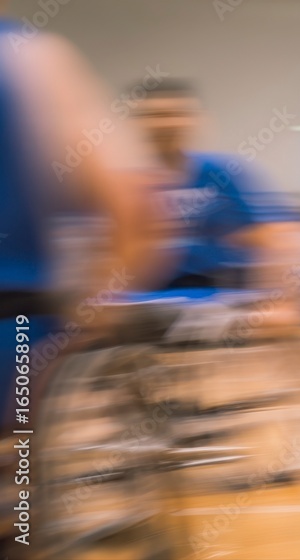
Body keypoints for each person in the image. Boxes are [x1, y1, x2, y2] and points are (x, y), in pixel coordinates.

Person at [0, 11, 164, 551]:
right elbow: (134, 207)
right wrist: (97, 310)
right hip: (17, 334)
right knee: (24, 509)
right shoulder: (31, 60)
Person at [129, 80, 300, 334]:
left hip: (215, 300)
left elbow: (283, 236)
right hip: (146, 303)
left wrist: (284, 301)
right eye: (153, 115)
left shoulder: (224, 174)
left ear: (196, 120)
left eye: (174, 114)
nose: (165, 124)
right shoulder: (123, 186)